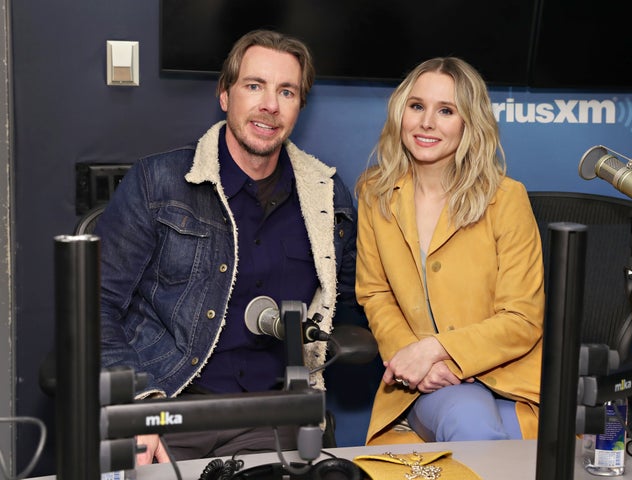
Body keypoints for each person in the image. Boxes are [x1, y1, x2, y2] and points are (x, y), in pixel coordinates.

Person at [95, 29, 359, 464]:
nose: (269, 105)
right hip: (167, 405)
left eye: (286, 91)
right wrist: (135, 407)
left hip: (269, 416)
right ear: (225, 95)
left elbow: (362, 296)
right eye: (254, 86)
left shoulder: (328, 198)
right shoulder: (156, 182)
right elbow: (96, 307)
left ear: (299, 107)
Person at [355, 57, 545, 445]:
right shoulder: (375, 193)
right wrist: (415, 363)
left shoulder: (507, 198)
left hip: (513, 383)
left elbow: (522, 318)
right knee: (467, 416)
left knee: (494, 440)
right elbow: (375, 294)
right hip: (424, 387)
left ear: (468, 123)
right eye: (417, 106)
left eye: (446, 110)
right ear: (400, 112)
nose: (427, 122)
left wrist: (436, 349)